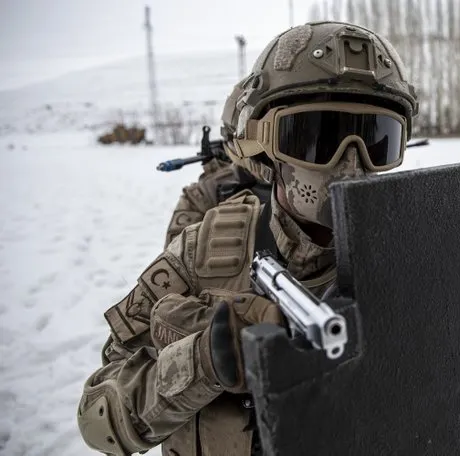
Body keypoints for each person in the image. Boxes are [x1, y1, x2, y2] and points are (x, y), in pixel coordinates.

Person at [76, 20, 418, 456]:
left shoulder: (412, 252)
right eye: (317, 139)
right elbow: (95, 416)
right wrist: (203, 362)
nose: (350, 166)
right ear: (265, 143)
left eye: (377, 141)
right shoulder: (204, 253)